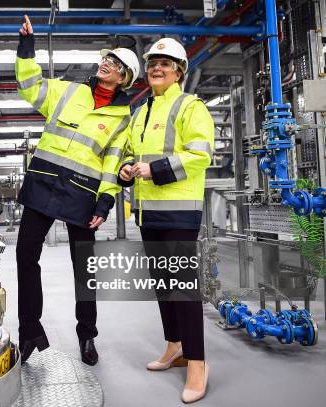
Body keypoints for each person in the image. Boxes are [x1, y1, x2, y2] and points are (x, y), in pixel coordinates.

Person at [15, 15, 139, 366]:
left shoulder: (123, 119)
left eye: (113, 62)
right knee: (26, 256)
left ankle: (87, 336)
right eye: (105, 58)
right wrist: (27, 48)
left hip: (82, 197)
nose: (105, 63)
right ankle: (29, 332)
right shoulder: (68, 92)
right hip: (44, 185)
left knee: (85, 269)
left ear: (124, 77)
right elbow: (29, 86)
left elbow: (114, 163)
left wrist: (105, 201)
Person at [118, 38, 214, 403]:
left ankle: (198, 362)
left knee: (183, 289)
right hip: (147, 211)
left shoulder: (191, 106)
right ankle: (174, 346)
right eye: (152, 62)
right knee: (163, 285)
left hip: (178, 211)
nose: (157, 68)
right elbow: (129, 151)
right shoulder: (140, 110)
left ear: (179, 71)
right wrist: (127, 167)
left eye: (165, 63)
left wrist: (153, 169)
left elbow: (201, 154)